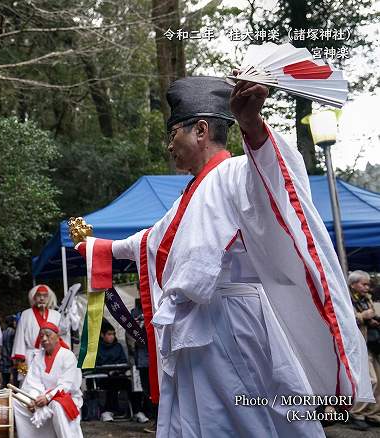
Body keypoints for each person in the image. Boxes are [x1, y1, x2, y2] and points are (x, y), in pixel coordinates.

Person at [76, 76, 372, 437]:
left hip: (235, 325)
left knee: (248, 421)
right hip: (198, 331)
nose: (169, 147)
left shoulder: (237, 172)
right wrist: (99, 248)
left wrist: (252, 125)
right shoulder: (187, 198)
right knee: (200, 422)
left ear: (200, 130)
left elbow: (275, 180)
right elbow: (149, 241)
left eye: (173, 135)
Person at [13, 322, 83, 438]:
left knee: (56, 404)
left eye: (48, 335)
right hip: (42, 396)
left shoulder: (68, 356)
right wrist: (34, 399)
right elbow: (33, 382)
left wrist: (48, 397)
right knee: (18, 401)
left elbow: (66, 385)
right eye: (41, 336)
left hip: (66, 397)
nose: (44, 339)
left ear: (57, 336)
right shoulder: (38, 357)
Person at [12, 285, 68, 376]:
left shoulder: (56, 315)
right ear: (34, 297)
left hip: (51, 356)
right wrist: (20, 360)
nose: (42, 298)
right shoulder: (26, 314)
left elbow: (61, 336)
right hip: (31, 357)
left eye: (45, 296)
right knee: (29, 385)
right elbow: (20, 337)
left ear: (48, 297)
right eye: (39, 295)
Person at [349, 270, 380, 429]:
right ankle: (356, 413)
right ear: (353, 284)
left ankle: (373, 413)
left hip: (372, 343)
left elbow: (371, 315)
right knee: (370, 380)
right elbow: (344, 320)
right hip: (359, 344)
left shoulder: (366, 299)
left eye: (368, 284)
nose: (367, 287)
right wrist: (363, 316)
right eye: (364, 284)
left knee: (379, 380)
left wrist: (373, 320)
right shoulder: (346, 299)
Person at [95, 320, 134, 422]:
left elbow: (123, 361)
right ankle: (108, 411)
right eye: (109, 334)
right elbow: (97, 365)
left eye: (113, 334)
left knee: (131, 385)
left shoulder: (118, 346)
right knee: (111, 383)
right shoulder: (97, 348)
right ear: (102, 335)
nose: (111, 337)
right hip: (103, 378)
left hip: (118, 375)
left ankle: (137, 410)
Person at [127, 298, 156, 431]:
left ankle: (159, 419)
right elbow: (130, 336)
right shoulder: (135, 312)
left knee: (158, 389)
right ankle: (155, 419)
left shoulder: (156, 304)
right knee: (147, 389)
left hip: (157, 356)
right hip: (143, 358)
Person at [0, 314, 18, 388]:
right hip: (10, 360)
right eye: (14, 321)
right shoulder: (13, 332)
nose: (15, 323)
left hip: (3, 360)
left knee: (5, 382)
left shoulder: (4, 332)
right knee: (15, 381)